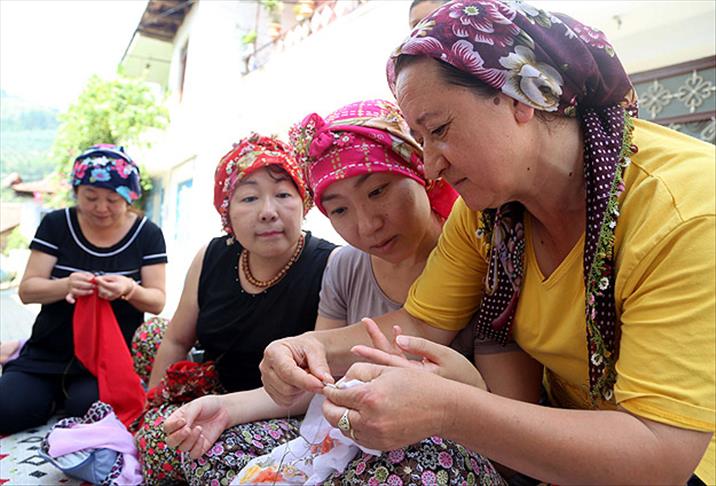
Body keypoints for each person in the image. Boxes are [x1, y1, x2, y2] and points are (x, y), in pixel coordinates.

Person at [261, 1, 716, 485]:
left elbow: (661, 456)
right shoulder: (486, 216)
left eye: (439, 130)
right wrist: (306, 346)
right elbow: (420, 321)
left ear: (523, 95)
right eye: (419, 139)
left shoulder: (685, 212)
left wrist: (452, 411)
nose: (431, 166)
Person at [162, 100, 506, 484]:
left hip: (441, 449)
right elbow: (319, 383)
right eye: (340, 210)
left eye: (377, 191)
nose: (367, 224)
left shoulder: (482, 248)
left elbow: (509, 412)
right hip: (343, 433)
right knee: (208, 446)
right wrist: (225, 407)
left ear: (420, 169)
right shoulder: (345, 265)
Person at [134, 133, 337, 483]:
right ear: (226, 211)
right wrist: (153, 406)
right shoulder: (212, 255)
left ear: (303, 203)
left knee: (180, 449)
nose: (268, 212)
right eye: (249, 198)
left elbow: (315, 386)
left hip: (283, 409)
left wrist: (226, 413)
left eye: (284, 194)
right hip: (216, 388)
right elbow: (177, 340)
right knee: (150, 337)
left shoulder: (331, 265)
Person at [0, 144, 167, 434]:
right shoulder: (56, 224)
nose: (101, 208)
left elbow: (157, 302)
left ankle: (62, 398)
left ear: (130, 197)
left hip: (109, 359)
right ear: (77, 192)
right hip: (46, 353)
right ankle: (41, 389)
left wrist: (129, 289)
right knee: (8, 409)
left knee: (93, 412)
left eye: (114, 199)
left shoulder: (147, 234)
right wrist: (65, 285)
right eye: (91, 197)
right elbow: (27, 290)